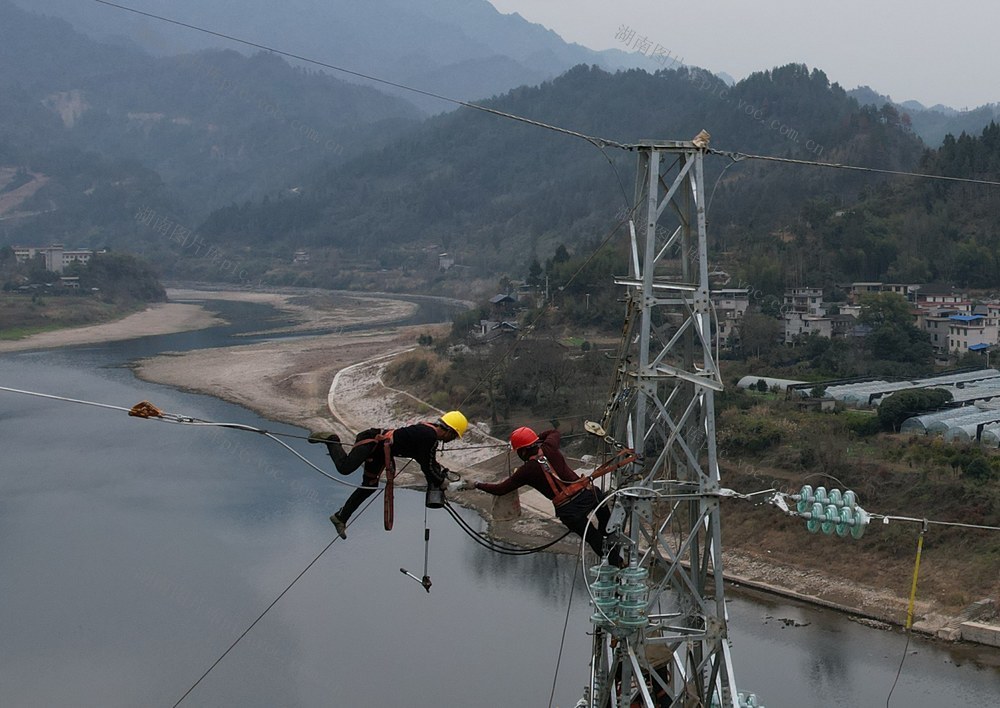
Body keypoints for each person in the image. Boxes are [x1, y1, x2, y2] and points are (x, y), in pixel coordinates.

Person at [309, 410, 468, 539]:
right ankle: (332, 439)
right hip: (372, 440)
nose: (452, 439)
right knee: (345, 468)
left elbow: (428, 461)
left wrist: (439, 475)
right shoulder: (429, 437)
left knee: (369, 486)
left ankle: (340, 518)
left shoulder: (428, 434)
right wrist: (441, 482)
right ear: (449, 430)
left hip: (380, 451)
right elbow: (427, 466)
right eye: (454, 436)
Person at [473, 426, 620, 564]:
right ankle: (609, 537)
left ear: (523, 451)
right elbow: (553, 432)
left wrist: (476, 484)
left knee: (593, 538)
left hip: (569, 510)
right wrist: (536, 438)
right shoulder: (549, 447)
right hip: (586, 494)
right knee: (603, 512)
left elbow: (500, 489)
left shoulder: (526, 471)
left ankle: (615, 562)